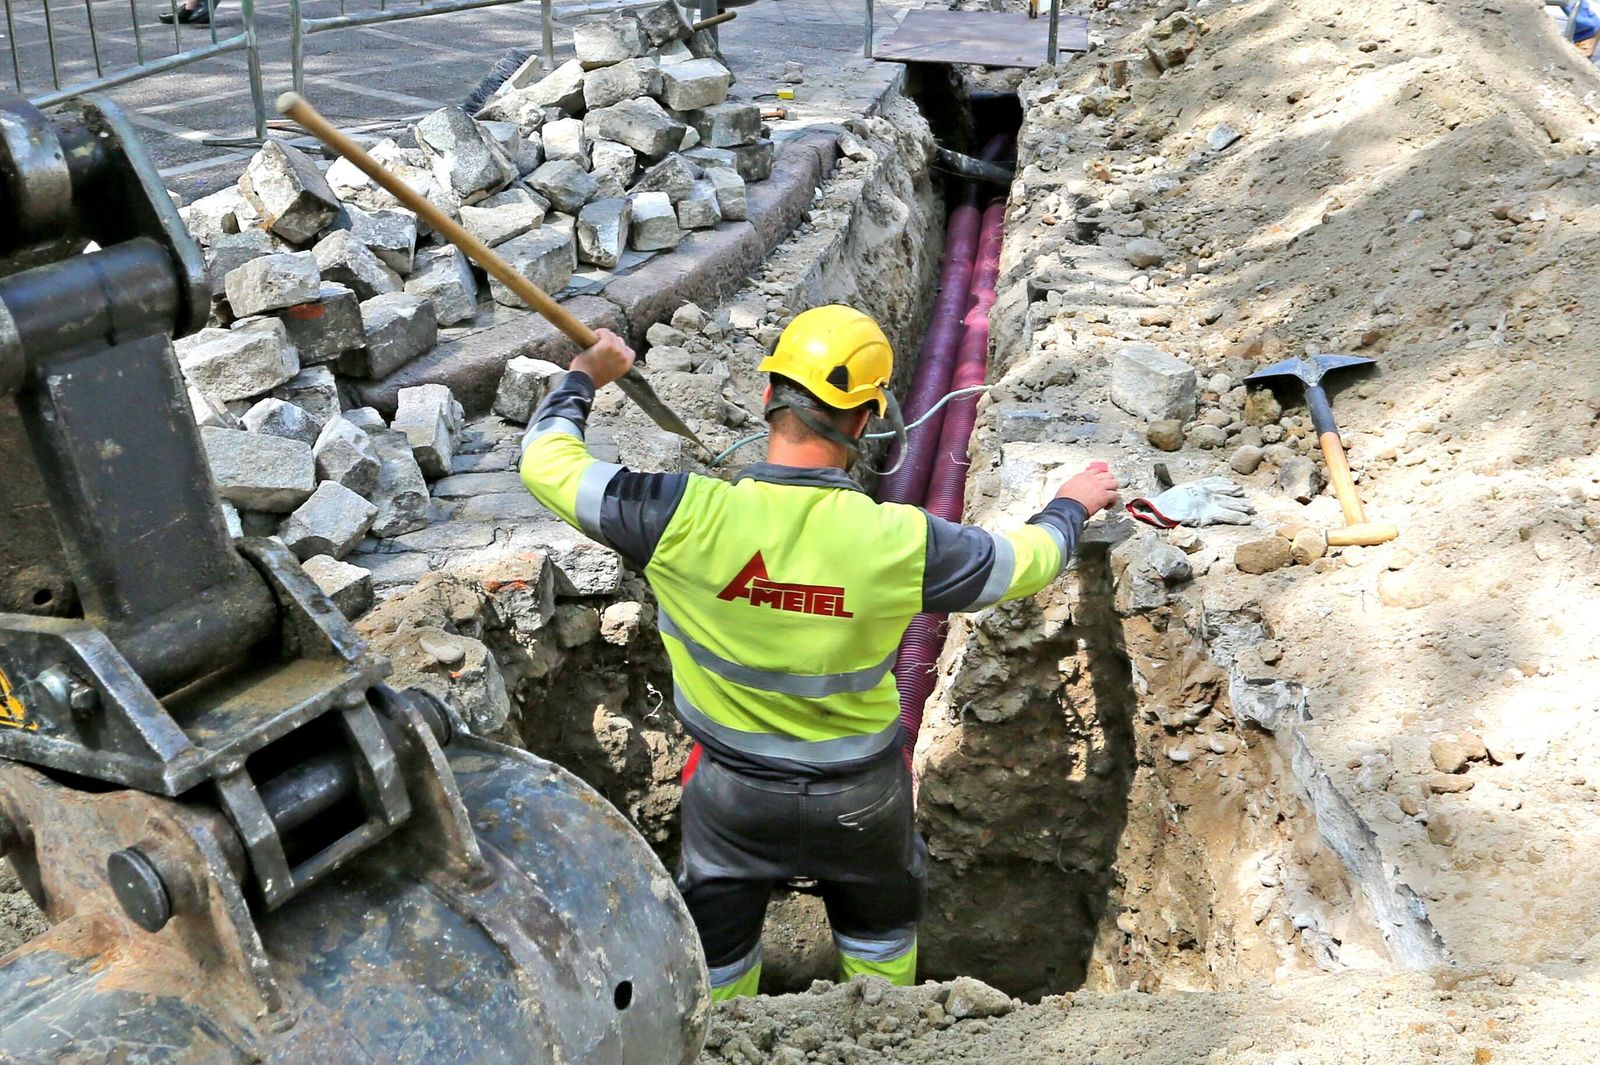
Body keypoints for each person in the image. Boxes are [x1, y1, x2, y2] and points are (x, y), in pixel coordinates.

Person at [519, 305, 1119, 1000]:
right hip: (861, 801)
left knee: (717, 958)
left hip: (730, 795)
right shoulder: (899, 539)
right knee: (883, 939)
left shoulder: (679, 515)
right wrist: (1070, 505)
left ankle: (734, 1037)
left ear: (767, 397)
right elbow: (1025, 561)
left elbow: (546, 462)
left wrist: (583, 377)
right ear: (866, 419)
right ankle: (884, 1031)